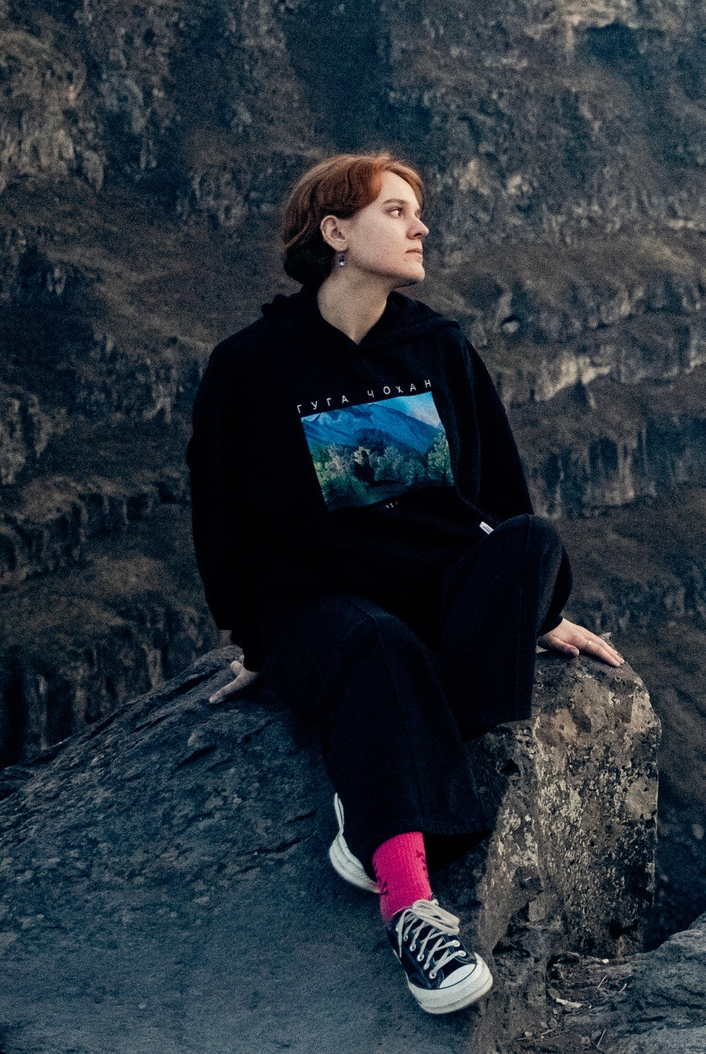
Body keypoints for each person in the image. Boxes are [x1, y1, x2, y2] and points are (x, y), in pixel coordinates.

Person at [185, 151, 621, 1016]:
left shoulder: (436, 346)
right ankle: (412, 905)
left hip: (434, 591)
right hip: (319, 608)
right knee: (376, 645)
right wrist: (256, 640)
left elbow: (500, 495)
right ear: (335, 232)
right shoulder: (254, 364)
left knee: (533, 542)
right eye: (396, 211)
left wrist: (536, 612)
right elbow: (220, 517)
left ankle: (371, 775)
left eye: (417, 212)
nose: (420, 228)